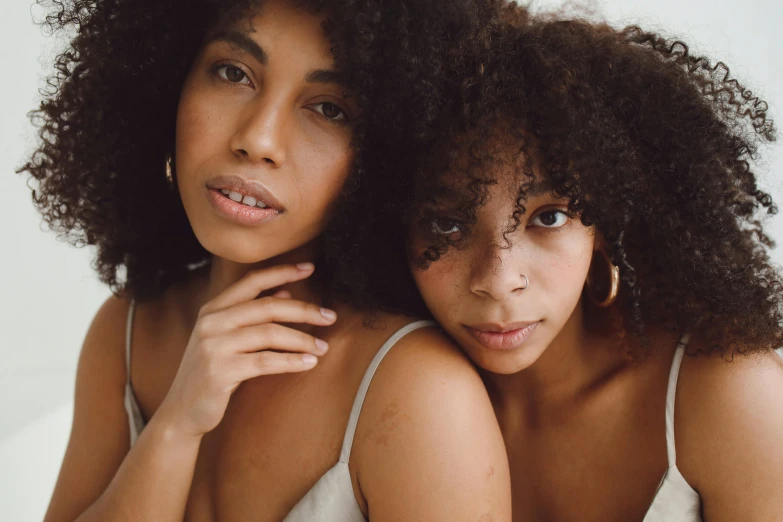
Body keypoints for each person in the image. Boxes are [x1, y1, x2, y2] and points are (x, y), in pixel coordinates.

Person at [17, 0, 512, 520]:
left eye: (330, 109)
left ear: (386, 154)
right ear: (169, 83)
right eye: (234, 73)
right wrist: (176, 424)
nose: (258, 139)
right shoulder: (129, 330)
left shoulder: (420, 393)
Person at [404, 6, 783, 521]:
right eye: (447, 225)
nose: (498, 281)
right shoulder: (399, 406)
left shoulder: (727, 394)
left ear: (604, 223)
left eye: (549, 216)